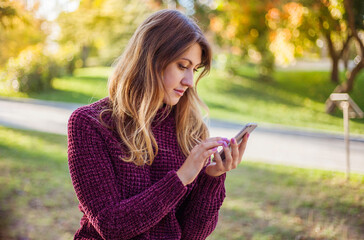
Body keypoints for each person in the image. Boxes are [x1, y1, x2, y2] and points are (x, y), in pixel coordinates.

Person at [67, 9, 249, 240]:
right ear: (151, 60)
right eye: (182, 66)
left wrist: (212, 177)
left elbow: (193, 234)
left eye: (194, 69)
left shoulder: (189, 129)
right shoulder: (89, 124)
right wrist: (181, 177)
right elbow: (111, 226)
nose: (190, 81)